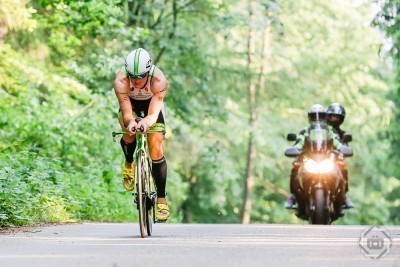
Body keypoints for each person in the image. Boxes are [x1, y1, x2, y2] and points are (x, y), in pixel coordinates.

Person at [113, 47, 170, 221]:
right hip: (132, 107)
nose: (136, 81)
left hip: (152, 109)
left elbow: (153, 114)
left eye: (141, 77)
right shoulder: (121, 81)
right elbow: (127, 112)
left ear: (148, 71)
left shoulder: (158, 80)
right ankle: (129, 163)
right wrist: (131, 122)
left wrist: (146, 123)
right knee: (128, 133)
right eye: (133, 76)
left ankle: (161, 199)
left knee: (156, 148)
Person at [284, 104, 345, 209]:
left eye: (321, 116)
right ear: (309, 117)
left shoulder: (330, 131)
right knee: (295, 168)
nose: (317, 119)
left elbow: (336, 141)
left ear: (325, 117)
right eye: (314, 116)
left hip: (325, 159)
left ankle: (341, 197)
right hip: (309, 159)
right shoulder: (305, 130)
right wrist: (296, 149)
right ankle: (294, 196)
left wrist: (342, 148)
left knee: (340, 169)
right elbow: (299, 141)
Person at [327, 103, 353, 209]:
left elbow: (345, 145)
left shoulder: (342, 133)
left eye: (337, 117)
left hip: (333, 161)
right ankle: (294, 196)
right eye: (333, 116)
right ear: (328, 116)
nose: (335, 119)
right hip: (316, 158)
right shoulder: (320, 129)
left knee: (343, 168)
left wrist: (344, 151)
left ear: (341, 119)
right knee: (297, 165)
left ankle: (343, 197)